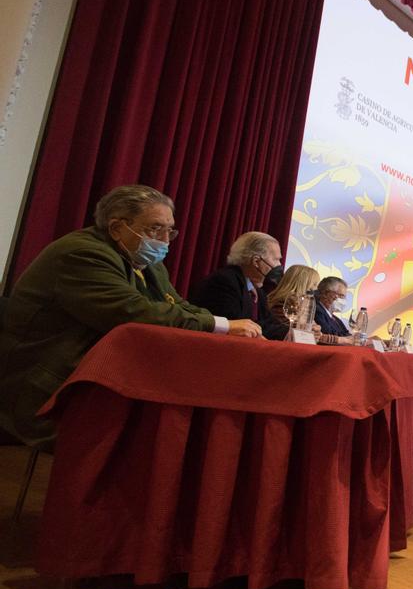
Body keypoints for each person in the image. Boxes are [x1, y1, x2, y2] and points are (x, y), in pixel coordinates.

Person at [0, 185, 261, 448]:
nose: (165, 240)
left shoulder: (147, 264)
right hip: (47, 390)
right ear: (116, 228)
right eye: (154, 229)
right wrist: (221, 325)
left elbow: (178, 305)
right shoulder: (82, 254)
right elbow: (135, 313)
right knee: (158, 437)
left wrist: (228, 328)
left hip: (96, 379)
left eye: (169, 230)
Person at [190, 231, 288, 340]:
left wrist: (295, 333)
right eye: (276, 259)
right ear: (256, 261)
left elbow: (267, 324)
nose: (279, 265)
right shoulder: (224, 282)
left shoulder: (256, 290)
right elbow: (237, 325)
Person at [266, 265, 350, 345]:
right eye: (314, 284)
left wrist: (316, 330)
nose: (316, 289)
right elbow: (299, 333)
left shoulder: (304, 306)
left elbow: (314, 332)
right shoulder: (282, 306)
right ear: (302, 284)